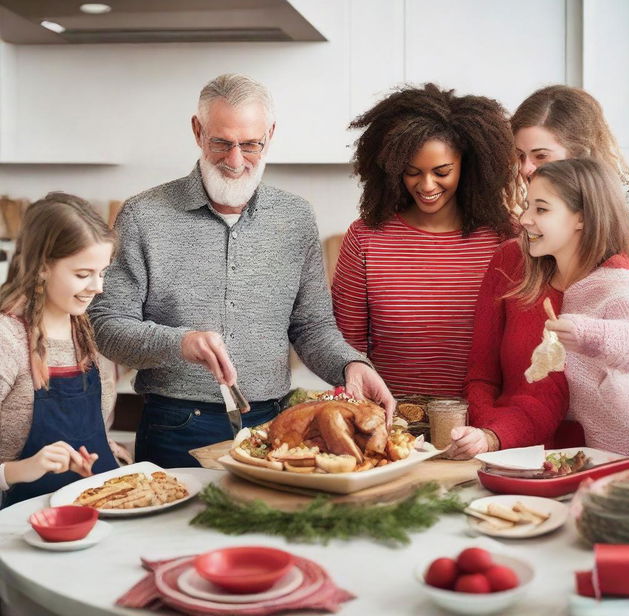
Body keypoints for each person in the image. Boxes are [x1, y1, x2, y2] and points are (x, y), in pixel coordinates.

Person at [89, 73, 395, 469]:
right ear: (197, 131)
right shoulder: (143, 215)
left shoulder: (295, 217)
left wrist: (351, 365)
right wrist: (180, 343)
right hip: (176, 426)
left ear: (271, 134)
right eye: (221, 143)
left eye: (251, 145)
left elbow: (312, 326)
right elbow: (107, 327)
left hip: (279, 427)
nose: (236, 161)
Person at [331, 83, 518, 398]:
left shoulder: (505, 238)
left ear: (469, 166)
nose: (427, 185)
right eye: (412, 172)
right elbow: (347, 347)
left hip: (482, 425)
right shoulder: (365, 239)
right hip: (392, 424)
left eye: (442, 171)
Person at [448, 159, 629, 459]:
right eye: (527, 206)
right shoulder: (515, 264)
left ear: (583, 217)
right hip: (523, 456)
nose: (524, 219)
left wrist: (493, 438)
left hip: (611, 466)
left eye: (541, 209)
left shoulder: (616, 287)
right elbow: (492, 377)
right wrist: (488, 438)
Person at [0, 193, 120, 507]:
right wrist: (21, 469)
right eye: (83, 275)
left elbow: (94, 428)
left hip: (98, 513)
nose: (98, 287)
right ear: (42, 267)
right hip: (22, 527)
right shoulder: (7, 340)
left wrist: (107, 447)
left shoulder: (85, 332)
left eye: (102, 272)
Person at [511, 84, 629, 226]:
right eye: (521, 156)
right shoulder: (533, 203)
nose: (525, 168)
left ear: (580, 151)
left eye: (541, 156)